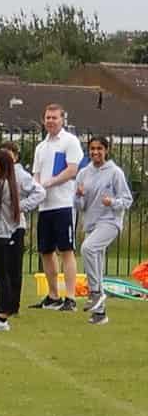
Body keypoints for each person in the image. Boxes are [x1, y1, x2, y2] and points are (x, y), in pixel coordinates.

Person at [0, 145, 43, 332]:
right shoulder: (7, 182)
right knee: (3, 275)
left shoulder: (0, 184)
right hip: (4, 231)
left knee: (2, 276)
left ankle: (2, 317)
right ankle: (2, 313)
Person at [75, 135, 133, 326]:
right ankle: (100, 315)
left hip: (110, 221)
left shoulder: (115, 172)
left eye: (99, 149)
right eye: (92, 149)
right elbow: (79, 205)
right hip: (91, 223)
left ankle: (95, 292)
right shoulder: (83, 173)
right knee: (96, 263)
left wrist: (113, 202)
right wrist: (79, 195)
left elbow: (127, 200)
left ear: (106, 150)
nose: (95, 152)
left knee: (87, 248)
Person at [31, 103, 84, 309]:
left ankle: (70, 297)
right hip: (45, 206)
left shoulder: (70, 141)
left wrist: (50, 182)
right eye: (48, 118)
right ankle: (53, 296)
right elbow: (36, 175)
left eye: (54, 117)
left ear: (62, 119)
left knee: (66, 250)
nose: (51, 121)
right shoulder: (41, 147)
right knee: (46, 251)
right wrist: (36, 189)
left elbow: (72, 170)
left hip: (64, 204)